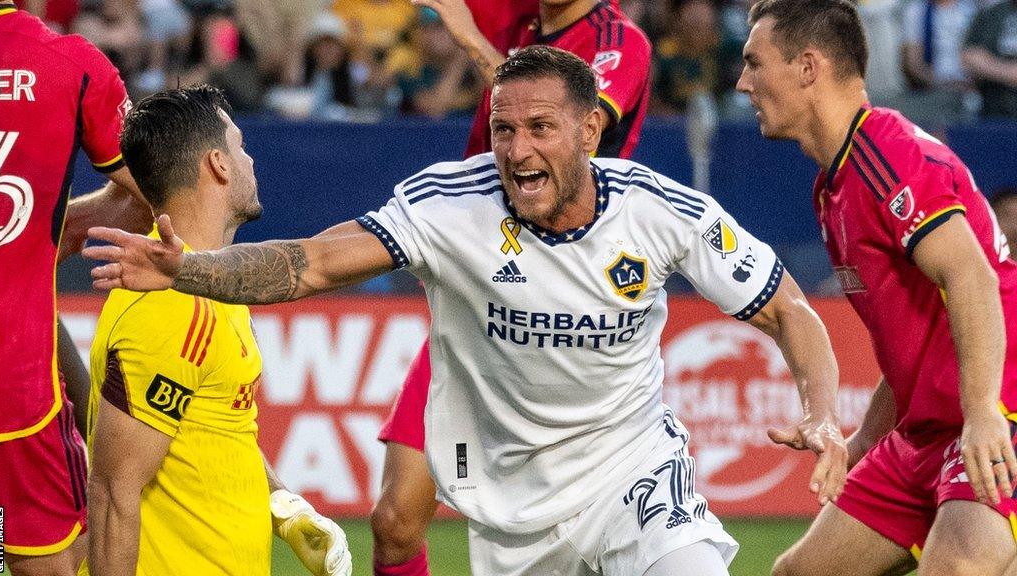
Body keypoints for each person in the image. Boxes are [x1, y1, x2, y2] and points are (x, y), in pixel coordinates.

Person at [85, 45, 849, 576]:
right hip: (512, 502)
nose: (516, 151)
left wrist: (820, 409)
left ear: (590, 130)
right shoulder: (447, 204)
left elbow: (789, 310)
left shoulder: (665, 213)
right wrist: (191, 270)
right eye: (505, 128)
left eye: (541, 129)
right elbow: (311, 263)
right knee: (394, 525)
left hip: (634, 474)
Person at [735, 1, 1017, 574]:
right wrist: (867, 436)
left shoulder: (887, 152)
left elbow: (972, 278)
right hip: (926, 432)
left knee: (958, 566)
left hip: (997, 408)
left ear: (808, 67)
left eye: (754, 62)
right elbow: (917, 333)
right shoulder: (833, 186)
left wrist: (984, 414)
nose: (742, 83)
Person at [371, 2, 652, 573]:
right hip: (481, 298)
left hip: (562, 306)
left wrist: (472, 41)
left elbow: (581, 147)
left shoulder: (618, 40)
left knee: (569, 539)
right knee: (395, 522)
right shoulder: (524, 24)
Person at [82, 85, 352, 576]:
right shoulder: (171, 307)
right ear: (218, 165)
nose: (250, 160)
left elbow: (223, 422)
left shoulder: (207, 283)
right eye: (240, 146)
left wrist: (285, 507)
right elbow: (111, 493)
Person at [0, 3, 153, 574]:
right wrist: (40, 235)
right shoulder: (71, 64)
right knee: (45, 559)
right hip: (11, 380)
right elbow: (152, 192)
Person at [961, 0, 1017, 120]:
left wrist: (989, 65)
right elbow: (969, 56)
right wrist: (1008, 72)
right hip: (992, 111)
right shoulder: (991, 13)